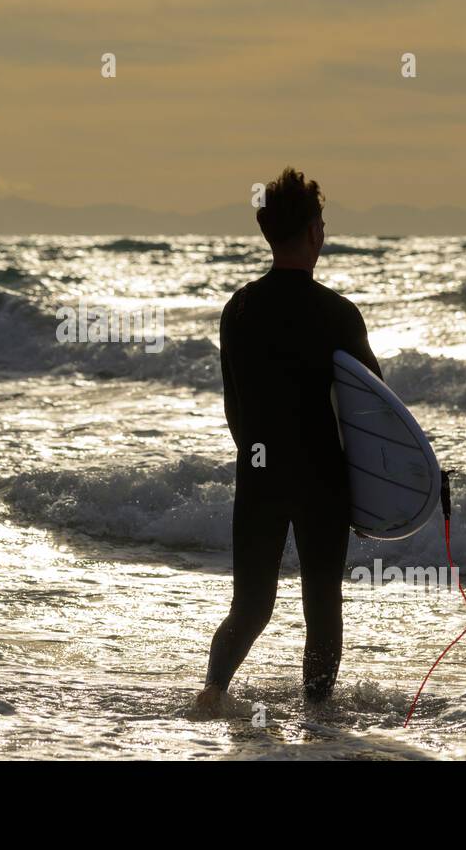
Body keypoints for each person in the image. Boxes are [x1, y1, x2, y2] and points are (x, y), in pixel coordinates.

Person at [197, 167, 382, 716]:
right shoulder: (337, 314)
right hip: (322, 475)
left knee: (251, 605)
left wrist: (257, 456)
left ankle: (212, 693)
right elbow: (373, 410)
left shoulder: (240, 309)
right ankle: (318, 719)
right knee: (322, 605)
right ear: (315, 232)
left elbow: (235, 404)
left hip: (258, 470)